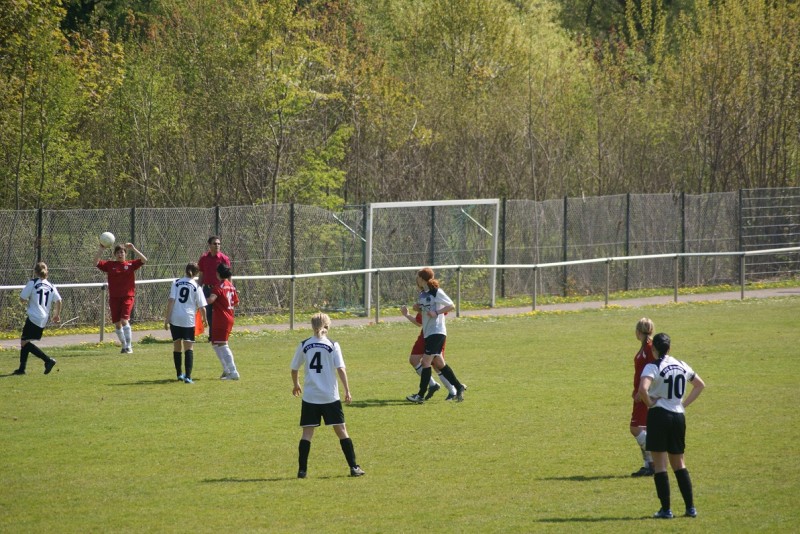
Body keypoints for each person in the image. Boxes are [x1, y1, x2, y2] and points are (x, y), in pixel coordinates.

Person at [638, 333, 705, 519]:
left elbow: (643, 389)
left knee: (660, 465)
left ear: (654, 349)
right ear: (670, 348)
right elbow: (700, 385)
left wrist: (650, 403)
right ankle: (690, 508)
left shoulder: (652, 366)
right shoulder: (681, 364)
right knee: (679, 464)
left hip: (659, 416)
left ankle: (666, 510)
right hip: (678, 417)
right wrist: (683, 404)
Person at [291, 312, 365, 479]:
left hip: (310, 397)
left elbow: (294, 368)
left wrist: (296, 384)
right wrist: (347, 390)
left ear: (312, 326)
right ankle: (354, 467)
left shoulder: (304, 344)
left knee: (307, 434)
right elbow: (340, 369)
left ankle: (302, 471)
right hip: (330, 397)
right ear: (327, 325)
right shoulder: (333, 345)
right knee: (341, 431)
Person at [405, 267, 467, 403]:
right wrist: (418, 308)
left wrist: (437, 313)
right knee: (439, 363)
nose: (417, 280)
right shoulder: (423, 294)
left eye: (418, 277)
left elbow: (451, 305)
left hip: (437, 331)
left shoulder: (437, 292)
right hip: (428, 333)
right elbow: (425, 312)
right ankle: (458, 387)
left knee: (426, 362)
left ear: (422, 279)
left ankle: (420, 395)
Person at [94, 242, 148, 353]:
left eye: (122, 252)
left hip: (127, 297)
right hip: (114, 298)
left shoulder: (130, 264)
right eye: (118, 253)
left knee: (124, 320)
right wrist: (101, 249)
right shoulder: (110, 265)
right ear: (115, 254)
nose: (120, 254)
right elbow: (95, 262)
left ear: (125, 254)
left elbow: (144, 260)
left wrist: (133, 249)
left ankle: (129, 346)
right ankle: (124, 346)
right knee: (117, 324)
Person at [400, 304, 459, 401]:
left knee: (437, 364)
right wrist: (407, 314)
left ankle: (453, 391)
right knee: (414, 359)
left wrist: (420, 310)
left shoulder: (436, 299)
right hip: (425, 334)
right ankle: (432, 385)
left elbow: (438, 313)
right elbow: (419, 322)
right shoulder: (424, 299)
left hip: (436, 333)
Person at [12, 262, 61, 375]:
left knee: (24, 342)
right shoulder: (51, 285)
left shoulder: (33, 283)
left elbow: (22, 299)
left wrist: (28, 300)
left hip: (34, 316)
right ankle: (21, 369)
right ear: (47, 272)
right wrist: (57, 315)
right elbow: (59, 300)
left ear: (35, 272)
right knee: (25, 340)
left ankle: (48, 360)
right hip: (43, 318)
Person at [164, 263, 208, 384]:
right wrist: (205, 320)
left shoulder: (176, 282)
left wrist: (167, 319)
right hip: (188, 319)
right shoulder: (196, 286)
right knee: (188, 347)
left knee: (177, 346)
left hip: (175, 318)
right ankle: (188, 377)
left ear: (185, 270)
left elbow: (171, 300)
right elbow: (202, 307)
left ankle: (179, 374)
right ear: (196, 273)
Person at [630, 317, 657, 477]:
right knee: (643, 429)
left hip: (644, 395)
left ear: (638, 331)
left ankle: (654, 459)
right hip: (639, 393)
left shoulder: (650, 348)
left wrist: (643, 392)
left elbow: (655, 370)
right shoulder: (645, 347)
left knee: (635, 428)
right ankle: (649, 465)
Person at [206, 263, 240, 380]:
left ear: (218, 273)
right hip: (227, 317)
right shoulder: (230, 286)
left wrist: (198, 299)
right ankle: (226, 370)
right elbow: (236, 303)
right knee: (215, 343)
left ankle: (233, 372)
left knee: (223, 344)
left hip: (222, 319)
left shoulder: (219, 286)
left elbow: (211, 300)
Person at [197, 236, 231, 334]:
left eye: (219, 244)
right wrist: (197, 289)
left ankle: (216, 335)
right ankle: (212, 335)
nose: (217, 245)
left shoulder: (224, 259)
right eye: (215, 243)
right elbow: (201, 275)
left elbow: (229, 276)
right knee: (208, 313)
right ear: (209, 245)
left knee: (219, 313)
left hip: (220, 290)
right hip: (207, 289)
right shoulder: (204, 258)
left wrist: (230, 288)